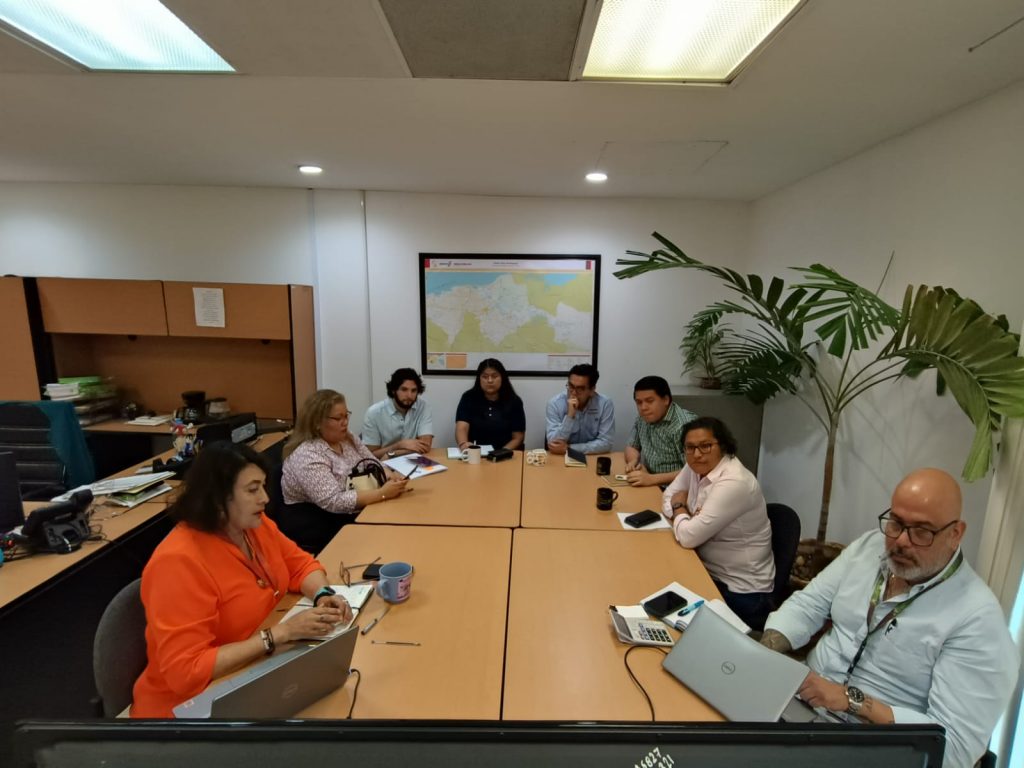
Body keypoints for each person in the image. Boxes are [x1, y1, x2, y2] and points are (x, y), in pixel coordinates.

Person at [760, 468, 1018, 768]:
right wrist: (762, 653)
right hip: (800, 707)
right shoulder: (869, 548)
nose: (901, 541)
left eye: (921, 531)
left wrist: (851, 700)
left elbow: (953, 750)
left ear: (955, 533)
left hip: (874, 747)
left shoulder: (978, 621)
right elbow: (809, 604)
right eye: (895, 523)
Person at [131, 442, 353, 718]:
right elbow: (185, 671)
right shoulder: (177, 562)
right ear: (217, 498)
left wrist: (323, 594)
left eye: (263, 487)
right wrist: (281, 634)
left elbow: (300, 564)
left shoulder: (251, 525)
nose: (265, 498)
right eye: (252, 490)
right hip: (185, 709)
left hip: (251, 669)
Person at [661, 417, 774, 630]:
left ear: (722, 446)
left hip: (740, 591)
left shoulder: (734, 481)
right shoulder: (695, 467)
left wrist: (679, 508)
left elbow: (687, 536)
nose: (697, 454)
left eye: (706, 446)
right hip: (704, 567)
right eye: (690, 447)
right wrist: (686, 518)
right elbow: (668, 497)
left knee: (670, 620)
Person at [282, 389, 409, 515]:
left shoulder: (347, 438)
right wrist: (382, 494)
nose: (345, 422)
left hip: (358, 505)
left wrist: (389, 475)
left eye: (346, 416)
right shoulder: (308, 454)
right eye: (338, 418)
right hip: (317, 517)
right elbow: (333, 501)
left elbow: (371, 460)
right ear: (317, 423)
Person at [624, 375, 696, 487]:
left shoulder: (684, 425)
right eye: (639, 402)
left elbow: (694, 471)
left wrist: (652, 479)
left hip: (677, 488)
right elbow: (632, 446)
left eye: (649, 401)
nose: (643, 407)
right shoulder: (643, 418)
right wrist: (633, 461)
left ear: (666, 400)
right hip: (650, 482)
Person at [362, 367, 434, 460]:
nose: (409, 395)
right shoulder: (374, 413)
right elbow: (370, 455)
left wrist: (392, 453)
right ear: (393, 390)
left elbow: (425, 446)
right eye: (404, 389)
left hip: (413, 461)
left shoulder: (423, 407)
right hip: (384, 464)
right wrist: (399, 445)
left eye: (413, 390)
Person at [455, 358, 526, 450]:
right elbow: (462, 427)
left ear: (502, 378)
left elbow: (518, 438)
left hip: (505, 454)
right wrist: (463, 444)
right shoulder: (468, 398)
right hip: (475, 453)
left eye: (494, 376)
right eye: (485, 377)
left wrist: (500, 453)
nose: (490, 380)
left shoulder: (514, 401)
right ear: (479, 379)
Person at [545, 363, 615, 455]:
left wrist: (569, 449)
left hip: (591, 457)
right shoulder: (555, 404)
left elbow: (606, 443)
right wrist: (570, 416)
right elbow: (553, 443)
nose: (573, 393)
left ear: (592, 390)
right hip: (562, 457)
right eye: (571, 386)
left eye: (580, 389)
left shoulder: (605, 404)